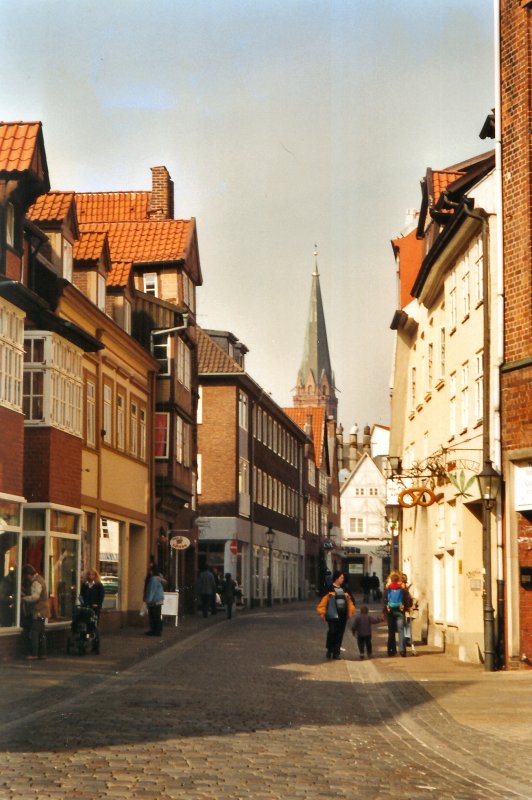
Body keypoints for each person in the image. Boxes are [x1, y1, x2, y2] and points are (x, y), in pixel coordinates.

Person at [316, 570, 356, 660]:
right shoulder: (329, 589)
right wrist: (321, 612)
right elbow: (323, 602)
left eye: (343, 578)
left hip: (342, 615)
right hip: (332, 614)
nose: (343, 579)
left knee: (340, 633)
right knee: (332, 632)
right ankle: (330, 649)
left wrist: (350, 612)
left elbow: (350, 602)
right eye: (341, 577)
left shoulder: (345, 590)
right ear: (337, 578)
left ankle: (336, 653)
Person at [21, 564, 50, 660]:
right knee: (41, 632)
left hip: (38, 611)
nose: (26, 579)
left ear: (28, 574)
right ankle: (43, 653)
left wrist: (24, 598)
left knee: (34, 632)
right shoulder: (40, 579)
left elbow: (35, 597)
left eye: (25, 576)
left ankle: (34, 654)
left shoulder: (36, 582)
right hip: (43, 610)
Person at [383, 570, 412, 657]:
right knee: (401, 631)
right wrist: (407, 608)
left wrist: (385, 611)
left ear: (391, 580)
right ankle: (402, 651)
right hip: (400, 611)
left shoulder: (387, 590)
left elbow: (384, 601)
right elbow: (408, 600)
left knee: (391, 631)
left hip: (390, 612)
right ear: (398, 580)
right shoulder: (403, 590)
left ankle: (391, 650)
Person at [144, 564, 165, 636]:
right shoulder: (159, 578)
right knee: (156, 616)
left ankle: (155, 631)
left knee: (154, 616)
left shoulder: (153, 579)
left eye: (150, 570)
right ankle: (157, 630)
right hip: (158, 599)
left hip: (154, 600)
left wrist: (148, 600)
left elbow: (152, 590)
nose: (149, 572)